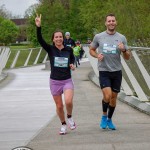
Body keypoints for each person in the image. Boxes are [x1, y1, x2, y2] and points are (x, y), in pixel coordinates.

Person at [35, 14, 76, 135]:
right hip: (54, 81)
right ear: (53, 39)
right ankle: (63, 124)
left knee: (68, 102)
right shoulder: (50, 49)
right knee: (59, 106)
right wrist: (38, 27)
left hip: (67, 80)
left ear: (63, 38)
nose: (58, 39)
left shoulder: (68, 50)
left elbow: (72, 59)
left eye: (60, 37)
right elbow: (40, 40)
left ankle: (69, 116)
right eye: (56, 37)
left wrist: (72, 64)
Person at [89, 13, 131, 130]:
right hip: (104, 70)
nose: (111, 23)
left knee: (113, 98)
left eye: (113, 21)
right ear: (105, 23)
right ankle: (103, 116)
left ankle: (109, 119)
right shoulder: (99, 37)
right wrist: (97, 55)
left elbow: (128, 57)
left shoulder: (122, 38)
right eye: (109, 21)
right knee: (107, 95)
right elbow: (91, 49)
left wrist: (123, 50)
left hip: (117, 71)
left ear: (116, 22)